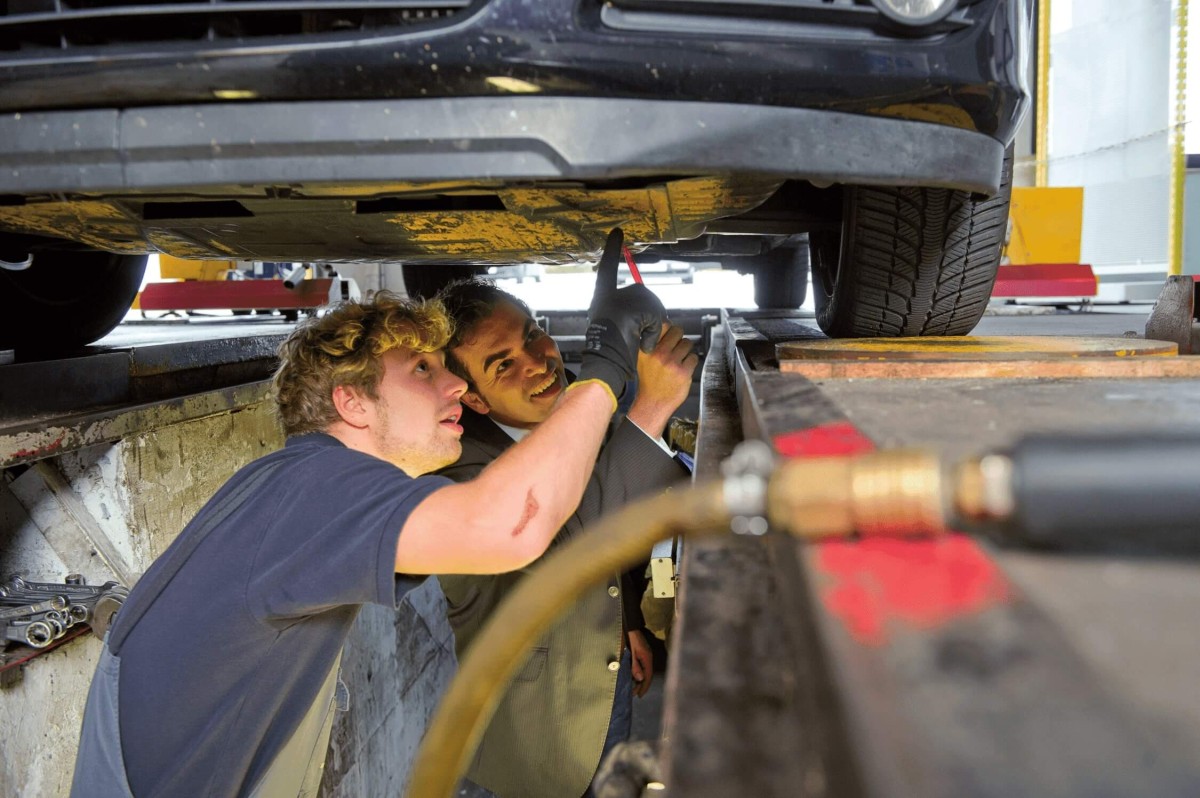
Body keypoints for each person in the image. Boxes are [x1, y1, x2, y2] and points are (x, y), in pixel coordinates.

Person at [69, 254, 666, 798]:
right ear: (353, 403)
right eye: (423, 369)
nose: (456, 384)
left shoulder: (295, 486)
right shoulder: (314, 488)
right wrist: (607, 363)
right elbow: (511, 526)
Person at [432, 231, 699, 798]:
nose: (537, 363)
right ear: (473, 399)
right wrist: (648, 414)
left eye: (532, 335)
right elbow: (566, 539)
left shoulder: (576, 405)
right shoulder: (456, 475)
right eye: (502, 365)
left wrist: (627, 618)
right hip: (533, 748)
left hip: (609, 687)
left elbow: (604, 509)